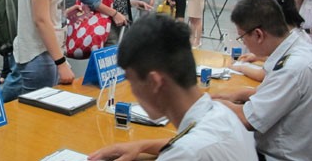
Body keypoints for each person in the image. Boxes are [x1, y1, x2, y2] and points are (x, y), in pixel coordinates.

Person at [88, 14, 258, 161]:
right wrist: (141, 146)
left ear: (154, 82)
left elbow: (188, 150)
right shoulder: (222, 113)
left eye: (132, 82)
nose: (133, 93)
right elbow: (187, 141)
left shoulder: (186, 154)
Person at [212, 0, 312, 160]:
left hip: (277, 156)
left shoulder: (291, 68)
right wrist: (230, 95)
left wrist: (206, 102)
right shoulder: (297, 47)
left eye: (242, 37)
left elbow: (247, 119)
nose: (243, 43)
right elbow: (267, 92)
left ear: (258, 34)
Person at [231, 0, 311, 82]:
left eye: (242, 37)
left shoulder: (293, 65)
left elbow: (265, 74)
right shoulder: (293, 38)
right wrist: (257, 57)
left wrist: (241, 67)